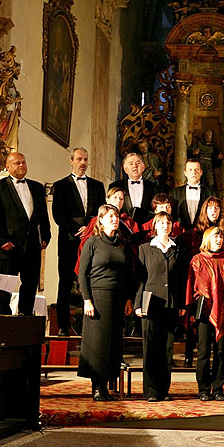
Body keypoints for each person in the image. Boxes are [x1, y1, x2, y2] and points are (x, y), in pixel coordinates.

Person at [77, 205, 134, 401]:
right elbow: (82, 275)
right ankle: (97, 387)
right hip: (97, 298)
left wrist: (128, 299)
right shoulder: (92, 243)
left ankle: (108, 386)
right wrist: (87, 300)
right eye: (110, 216)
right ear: (100, 220)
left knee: (113, 343)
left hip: (117, 298)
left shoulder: (122, 244)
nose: (114, 219)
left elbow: (127, 275)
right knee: (97, 344)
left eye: (116, 216)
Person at [0, 152, 51, 316]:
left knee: (30, 285)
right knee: (4, 287)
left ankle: (25, 317)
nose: (21, 165)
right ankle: (3, 319)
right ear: (8, 167)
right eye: (16, 163)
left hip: (32, 246)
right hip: (9, 246)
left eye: (23, 162)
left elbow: (43, 215)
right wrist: (1, 240)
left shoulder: (36, 187)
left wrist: (46, 237)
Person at [51, 147, 105, 335]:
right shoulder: (60, 185)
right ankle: (63, 326)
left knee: (91, 280)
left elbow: (101, 213)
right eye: (79, 159)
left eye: (85, 159)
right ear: (71, 161)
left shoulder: (98, 186)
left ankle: (91, 324)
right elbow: (57, 214)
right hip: (68, 240)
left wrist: (89, 228)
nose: (83, 163)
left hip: (92, 241)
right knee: (65, 282)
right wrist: (76, 229)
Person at [186, 227, 224, 401]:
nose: (218, 239)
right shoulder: (197, 260)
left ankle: (218, 388)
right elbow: (192, 286)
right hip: (204, 311)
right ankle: (203, 389)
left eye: (220, 236)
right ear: (207, 239)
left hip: (223, 311)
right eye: (215, 236)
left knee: (220, 352)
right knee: (203, 351)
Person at [134, 211, 182, 402]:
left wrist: (180, 303)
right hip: (150, 302)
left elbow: (179, 278)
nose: (165, 225)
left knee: (167, 349)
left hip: (170, 303)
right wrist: (138, 303)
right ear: (155, 225)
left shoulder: (176, 249)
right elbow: (140, 279)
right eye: (161, 222)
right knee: (151, 347)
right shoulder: (145, 249)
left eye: (168, 223)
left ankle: (164, 389)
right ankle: (151, 390)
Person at [175, 196, 224, 367]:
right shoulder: (193, 235)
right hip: (197, 284)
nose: (214, 211)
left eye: (217, 208)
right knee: (196, 327)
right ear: (204, 211)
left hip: (219, 284)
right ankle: (190, 356)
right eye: (210, 208)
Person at [109, 153, 160, 225]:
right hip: (122, 228)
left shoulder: (154, 187)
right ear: (125, 169)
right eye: (131, 164)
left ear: (143, 167)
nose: (135, 166)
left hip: (147, 229)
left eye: (138, 163)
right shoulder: (115, 186)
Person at [169, 158, 214, 230]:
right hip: (180, 235)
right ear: (185, 173)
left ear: (201, 172)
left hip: (203, 234)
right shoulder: (174, 193)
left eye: (197, 169)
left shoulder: (210, 192)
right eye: (190, 170)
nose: (194, 172)